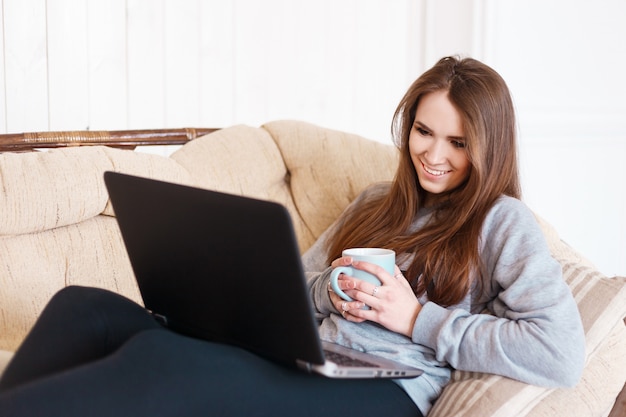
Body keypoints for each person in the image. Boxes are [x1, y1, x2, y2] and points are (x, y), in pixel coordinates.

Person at [0, 56, 585, 416]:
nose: (433, 155)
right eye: (423, 132)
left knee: (158, 355)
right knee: (84, 307)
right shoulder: (378, 202)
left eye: (456, 143)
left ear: (487, 146)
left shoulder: (501, 221)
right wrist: (328, 289)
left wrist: (416, 319)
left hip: (386, 393)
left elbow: (559, 352)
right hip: (312, 358)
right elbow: (297, 280)